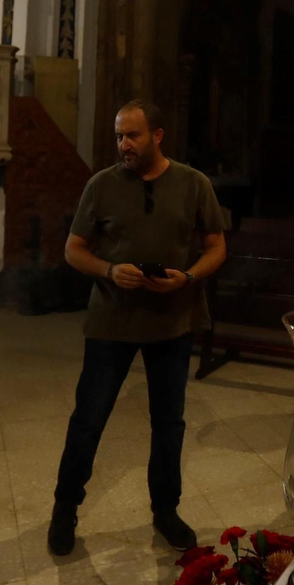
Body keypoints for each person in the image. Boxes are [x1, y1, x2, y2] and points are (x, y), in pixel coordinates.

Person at [48, 99, 227, 557]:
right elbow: (73, 249)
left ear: (158, 135)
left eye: (133, 135)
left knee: (169, 423)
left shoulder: (193, 183)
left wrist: (188, 277)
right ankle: (65, 509)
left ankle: (166, 511)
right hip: (112, 321)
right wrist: (110, 271)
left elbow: (216, 246)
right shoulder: (102, 185)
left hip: (172, 320)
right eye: (119, 136)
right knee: (89, 419)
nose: (124, 145)